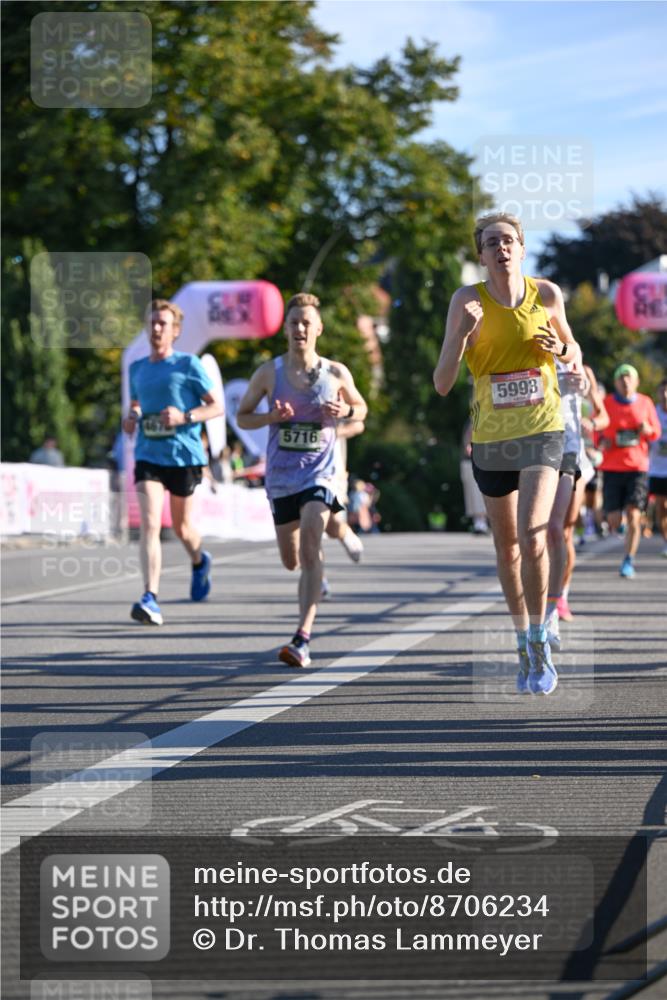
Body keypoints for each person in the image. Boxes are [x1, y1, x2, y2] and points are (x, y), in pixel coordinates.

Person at [434, 211, 579, 696]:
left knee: (533, 533)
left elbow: (573, 352)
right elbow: (442, 383)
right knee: (507, 547)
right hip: (493, 439)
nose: (501, 249)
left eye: (509, 241)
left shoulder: (548, 295)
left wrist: (559, 348)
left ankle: (540, 636)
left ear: (522, 248)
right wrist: (460, 335)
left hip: (543, 431)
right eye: (491, 242)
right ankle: (521, 637)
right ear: (480, 254)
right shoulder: (466, 300)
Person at [236, 292, 368, 668]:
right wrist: (270, 419)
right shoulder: (269, 373)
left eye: (307, 322)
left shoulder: (336, 373)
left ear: (319, 329)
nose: (300, 329)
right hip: (281, 477)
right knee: (292, 561)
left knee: (312, 543)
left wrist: (344, 409)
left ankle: (302, 638)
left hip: (320, 473)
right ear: (286, 329)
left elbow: (361, 408)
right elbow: (243, 416)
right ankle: (323, 563)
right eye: (294, 322)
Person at [123, 299, 223, 625]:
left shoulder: (189, 365)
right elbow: (138, 403)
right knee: (151, 524)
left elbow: (216, 407)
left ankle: (199, 559)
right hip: (148, 453)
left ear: (175, 331)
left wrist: (184, 416)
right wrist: (132, 416)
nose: (155, 328)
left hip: (183, 455)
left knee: (182, 528)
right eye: (152, 322)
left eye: (162, 324)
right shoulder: (136, 368)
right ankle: (150, 597)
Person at [545, 360, 608, 647]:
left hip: (577, 454)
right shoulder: (535, 357)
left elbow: (603, 415)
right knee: (549, 530)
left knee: (567, 529)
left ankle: (561, 596)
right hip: (543, 448)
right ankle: (546, 596)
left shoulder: (583, 369)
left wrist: (592, 423)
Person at [598, 364, 661, 578]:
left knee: (634, 515)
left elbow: (656, 433)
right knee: (614, 518)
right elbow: (597, 431)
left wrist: (647, 430)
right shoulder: (606, 403)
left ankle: (628, 560)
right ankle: (620, 526)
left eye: (629, 379)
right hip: (612, 467)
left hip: (637, 467)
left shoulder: (645, 402)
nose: (625, 382)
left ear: (636, 382)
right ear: (615, 383)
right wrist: (602, 441)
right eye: (621, 379)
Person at [320, 417, 366, 600]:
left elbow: (358, 423)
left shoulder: (336, 390)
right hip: (297, 469)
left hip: (332, 471)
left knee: (331, 525)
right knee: (308, 529)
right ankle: (318, 579)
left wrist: (331, 434)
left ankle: (344, 532)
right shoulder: (287, 389)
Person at [648, 379, 667, 557]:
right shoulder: (653, 413)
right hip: (657, 469)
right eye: (662, 392)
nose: (665, 395)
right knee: (661, 508)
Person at [460, 419, 490, 534]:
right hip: (473, 461)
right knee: (475, 493)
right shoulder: (474, 419)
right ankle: (479, 522)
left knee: (480, 493)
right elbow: (468, 440)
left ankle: (481, 522)